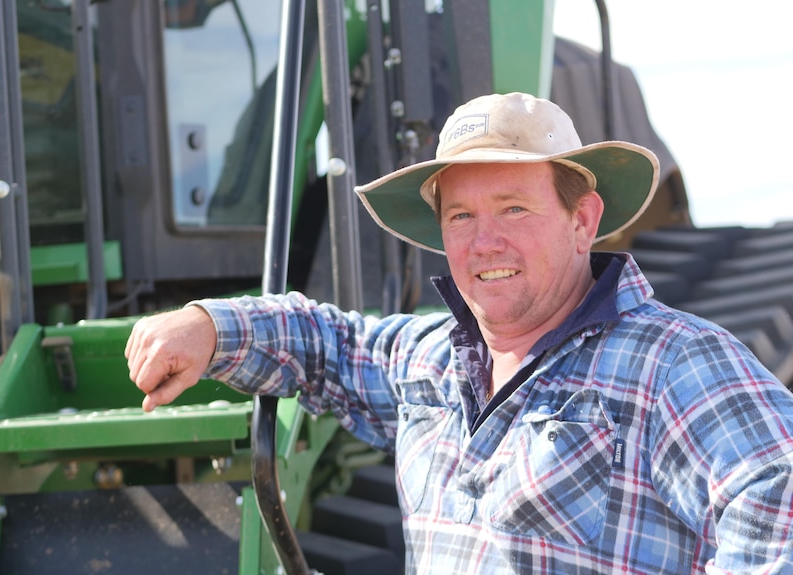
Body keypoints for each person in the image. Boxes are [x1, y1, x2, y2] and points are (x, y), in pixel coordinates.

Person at [125, 92, 793, 573]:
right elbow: (331, 346)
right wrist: (210, 324)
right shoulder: (434, 360)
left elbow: (778, 516)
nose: (485, 241)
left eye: (514, 207)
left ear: (583, 219)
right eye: (462, 216)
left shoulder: (674, 365)